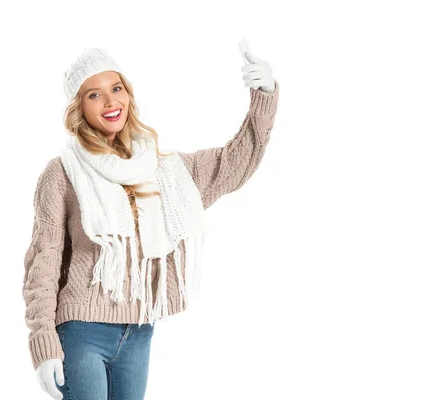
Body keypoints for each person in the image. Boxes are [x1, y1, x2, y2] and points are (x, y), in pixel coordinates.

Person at [23, 47, 279, 400]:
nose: (110, 101)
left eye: (116, 88)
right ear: (79, 108)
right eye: (93, 94)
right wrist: (43, 341)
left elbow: (232, 165)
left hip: (139, 332)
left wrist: (263, 98)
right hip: (81, 332)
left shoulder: (163, 171)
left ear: (128, 93)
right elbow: (43, 263)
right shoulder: (62, 174)